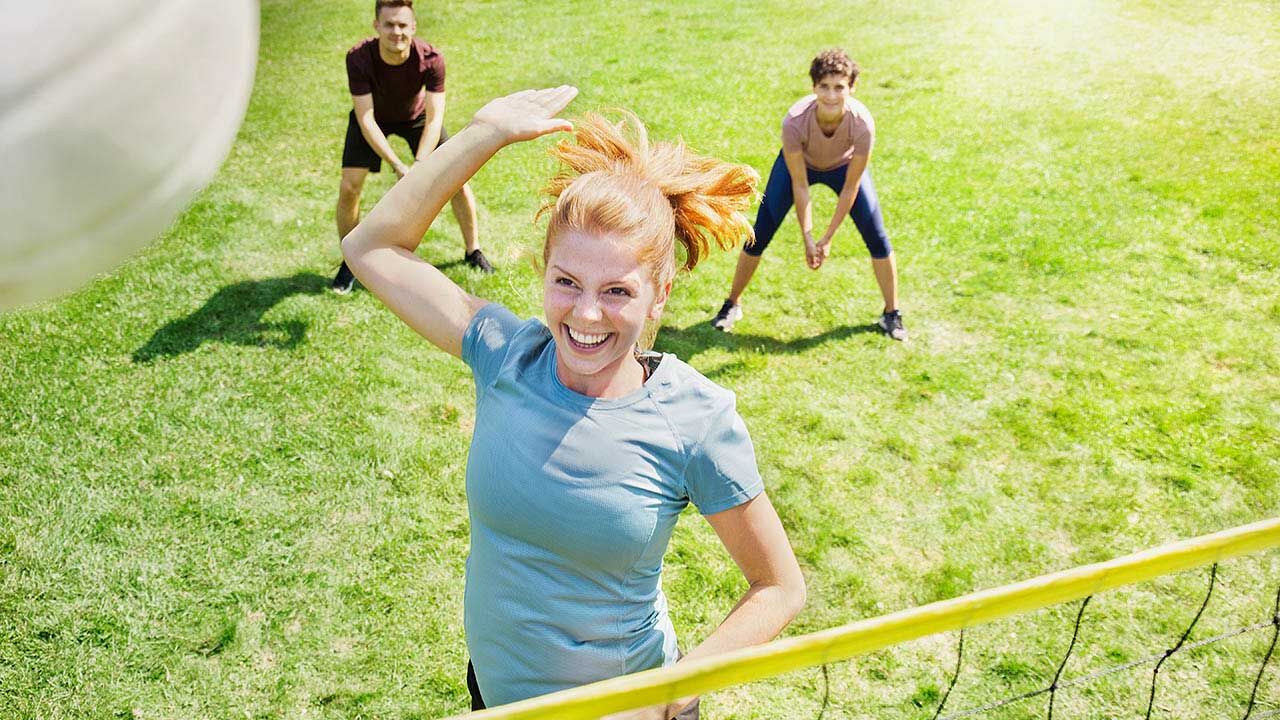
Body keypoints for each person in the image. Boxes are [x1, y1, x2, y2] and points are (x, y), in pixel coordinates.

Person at [342, 87, 806, 718]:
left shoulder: (693, 418)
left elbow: (778, 586)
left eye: (617, 290)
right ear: (544, 272)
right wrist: (484, 134)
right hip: (499, 698)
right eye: (566, 282)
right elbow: (370, 249)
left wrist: (670, 692)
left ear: (660, 292)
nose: (586, 314)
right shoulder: (506, 353)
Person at [710, 48, 907, 340]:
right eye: (824, 87)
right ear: (813, 87)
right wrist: (807, 237)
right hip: (799, 167)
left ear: (851, 88)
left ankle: (892, 314)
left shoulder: (862, 123)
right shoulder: (794, 121)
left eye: (839, 87)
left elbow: (851, 188)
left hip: (843, 167)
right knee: (759, 233)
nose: (831, 95)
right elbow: (800, 186)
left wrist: (826, 239)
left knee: (877, 237)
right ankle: (731, 305)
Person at [331, 0, 490, 295]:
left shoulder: (430, 59)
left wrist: (418, 165)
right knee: (349, 187)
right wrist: (397, 165)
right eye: (389, 24)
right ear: (376, 26)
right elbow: (366, 120)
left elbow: (434, 118)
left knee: (459, 181)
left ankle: (473, 249)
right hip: (373, 117)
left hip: (416, 119)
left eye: (403, 25)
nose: (396, 32)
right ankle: (350, 262)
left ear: (413, 27)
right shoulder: (358, 58)